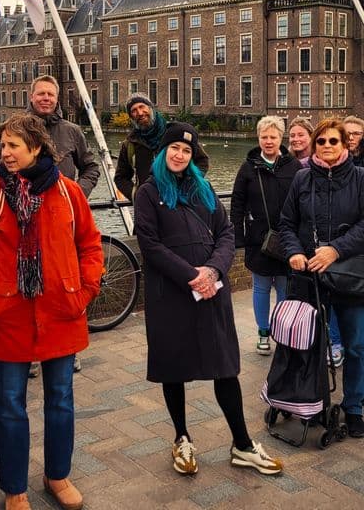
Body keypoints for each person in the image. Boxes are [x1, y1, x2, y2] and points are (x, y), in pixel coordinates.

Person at [0, 113, 104, 510]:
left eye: (12, 146)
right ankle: (14, 488)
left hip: (62, 310)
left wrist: (85, 290)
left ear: (37, 148)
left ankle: (57, 475)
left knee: (60, 398)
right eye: (3, 145)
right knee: (9, 403)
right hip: (9, 315)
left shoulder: (69, 193)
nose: (4, 153)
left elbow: (90, 246)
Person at [134, 122, 283, 477]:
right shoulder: (148, 192)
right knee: (174, 367)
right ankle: (182, 437)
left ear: (192, 155)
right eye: (174, 148)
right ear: (163, 151)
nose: (179, 155)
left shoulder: (204, 189)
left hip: (210, 293)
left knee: (224, 366)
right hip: (171, 294)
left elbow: (226, 233)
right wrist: (191, 275)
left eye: (186, 151)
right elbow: (150, 244)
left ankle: (243, 444)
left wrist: (213, 271)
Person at [0, 75, 100, 376]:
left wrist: (76, 195)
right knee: (24, 285)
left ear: (57, 98)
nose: (46, 98)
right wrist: (10, 195)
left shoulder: (72, 131)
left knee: (64, 277)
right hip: (22, 218)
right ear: (31, 96)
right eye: (40, 94)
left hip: (63, 216)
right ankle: (30, 352)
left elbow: (91, 166)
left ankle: (64, 350)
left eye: (51, 94)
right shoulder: (15, 129)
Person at [279, 118, 364, 437]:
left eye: (334, 141)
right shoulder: (302, 179)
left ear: (345, 145)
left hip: (350, 276)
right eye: (322, 141)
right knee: (308, 342)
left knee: (356, 346)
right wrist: (293, 252)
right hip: (309, 278)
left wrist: (335, 250)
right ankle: (312, 400)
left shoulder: (359, 178)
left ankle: (354, 406)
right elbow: (287, 223)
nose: (327, 146)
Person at [230, 116, 301, 355]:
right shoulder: (248, 167)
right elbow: (237, 204)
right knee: (260, 287)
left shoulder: (294, 167)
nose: (268, 141)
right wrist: (237, 236)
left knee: (284, 287)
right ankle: (263, 332)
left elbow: (304, 201)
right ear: (258, 138)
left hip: (288, 238)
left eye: (273, 137)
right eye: (264, 137)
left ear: (280, 138)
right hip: (258, 238)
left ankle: (281, 332)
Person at [115, 92, 209, 202]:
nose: (140, 113)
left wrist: (188, 186)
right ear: (131, 117)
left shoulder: (175, 133)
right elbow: (121, 178)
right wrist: (137, 195)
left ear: (151, 108)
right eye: (134, 111)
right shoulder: (130, 144)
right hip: (149, 207)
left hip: (180, 201)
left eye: (142, 107)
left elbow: (202, 161)